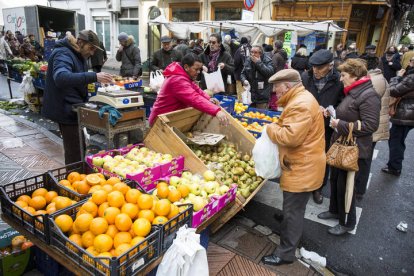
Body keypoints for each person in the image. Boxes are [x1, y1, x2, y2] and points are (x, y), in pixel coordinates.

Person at [262, 69, 326, 266]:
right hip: (303, 163)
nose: (275, 92)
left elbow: (290, 137)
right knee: (293, 208)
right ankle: (288, 232)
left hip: (302, 167)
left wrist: (270, 128)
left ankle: (285, 254)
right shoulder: (301, 98)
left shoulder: (300, 104)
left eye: (277, 88)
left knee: (293, 213)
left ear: (287, 86)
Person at [318, 59, 380, 236]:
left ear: (354, 76)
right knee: (336, 181)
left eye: (343, 75)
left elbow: (370, 125)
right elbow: (349, 113)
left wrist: (341, 124)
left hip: (354, 149)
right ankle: (335, 211)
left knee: (347, 187)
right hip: (343, 145)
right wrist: (332, 114)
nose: (340, 79)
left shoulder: (368, 95)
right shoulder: (354, 92)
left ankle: (347, 222)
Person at [42, 30, 113, 165]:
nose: (92, 53)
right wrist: (94, 76)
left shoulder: (77, 54)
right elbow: (61, 77)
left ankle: (78, 174)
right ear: (80, 43)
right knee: (75, 150)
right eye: (91, 48)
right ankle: (74, 180)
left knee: (79, 146)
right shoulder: (63, 53)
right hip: (65, 109)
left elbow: (76, 78)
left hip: (73, 107)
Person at [301, 49, 344, 204]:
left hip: (326, 126)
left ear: (330, 65)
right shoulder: (306, 76)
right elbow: (300, 95)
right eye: (313, 67)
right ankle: (305, 182)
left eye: (320, 68)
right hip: (307, 123)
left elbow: (344, 103)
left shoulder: (339, 79)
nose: (316, 71)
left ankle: (318, 187)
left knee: (322, 157)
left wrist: (330, 110)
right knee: (305, 153)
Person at [148, 53, 229, 126]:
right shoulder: (177, 80)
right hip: (159, 122)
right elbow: (194, 98)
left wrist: (208, 99)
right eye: (196, 69)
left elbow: (196, 90)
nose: (198, 72)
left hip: (170, 118)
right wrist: (216, 111)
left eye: (199, 69)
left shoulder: (184, 76)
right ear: (186, 67)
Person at [354, 66, 389, 200]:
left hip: (371, 128)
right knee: (364, 159)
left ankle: (359, 189)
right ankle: (359, 188)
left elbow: (365, 103)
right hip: (376, 124)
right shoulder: (380, 78)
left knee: (364, 160)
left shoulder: (373, 81)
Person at [381, 67, 414, 176]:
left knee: (396, 140)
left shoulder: (411, 77)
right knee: (397, 139)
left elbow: (393, 90)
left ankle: (394, 167)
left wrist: (397, 77)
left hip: (405, 113)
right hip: (408, 112)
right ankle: (394, 165)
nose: (410, 63)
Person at [240, 45, 274, 109]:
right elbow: (242, 73)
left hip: (262, 96)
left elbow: (269, 73)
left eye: (255, 52)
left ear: (260, 53)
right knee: (249, 115)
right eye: (251, 52)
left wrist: (258, 63)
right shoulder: (248, 60)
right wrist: (244, 80)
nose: (253, 54)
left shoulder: (267, 60)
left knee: (261, 115)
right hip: (250, 95)